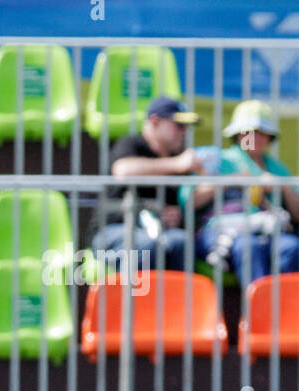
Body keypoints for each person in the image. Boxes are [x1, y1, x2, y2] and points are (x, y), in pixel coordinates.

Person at [182, 99, 299, 281]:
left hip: (270, 233)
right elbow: (189, 200)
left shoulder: (278, 169)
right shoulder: (216, 159)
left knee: (290, 247)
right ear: (237, 134)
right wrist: (231, 181)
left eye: (263, 133)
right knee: (249, 246)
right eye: (250, 132)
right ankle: (257, 308)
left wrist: (283, 186)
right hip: (222, 233)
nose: (256, 138)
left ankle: (286, 306)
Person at [92, 97, 202, 275]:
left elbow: (186, 201)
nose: (184, 132)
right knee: (147, 245)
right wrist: (176, 164)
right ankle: (138, 303)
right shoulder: (131, 144)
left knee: (182, 241)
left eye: (187, 127)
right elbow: (123, 170)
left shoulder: (179, 158)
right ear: (155, 122)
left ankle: (176, 302)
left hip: (161, 233)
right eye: (179, 125)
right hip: (113, 233)